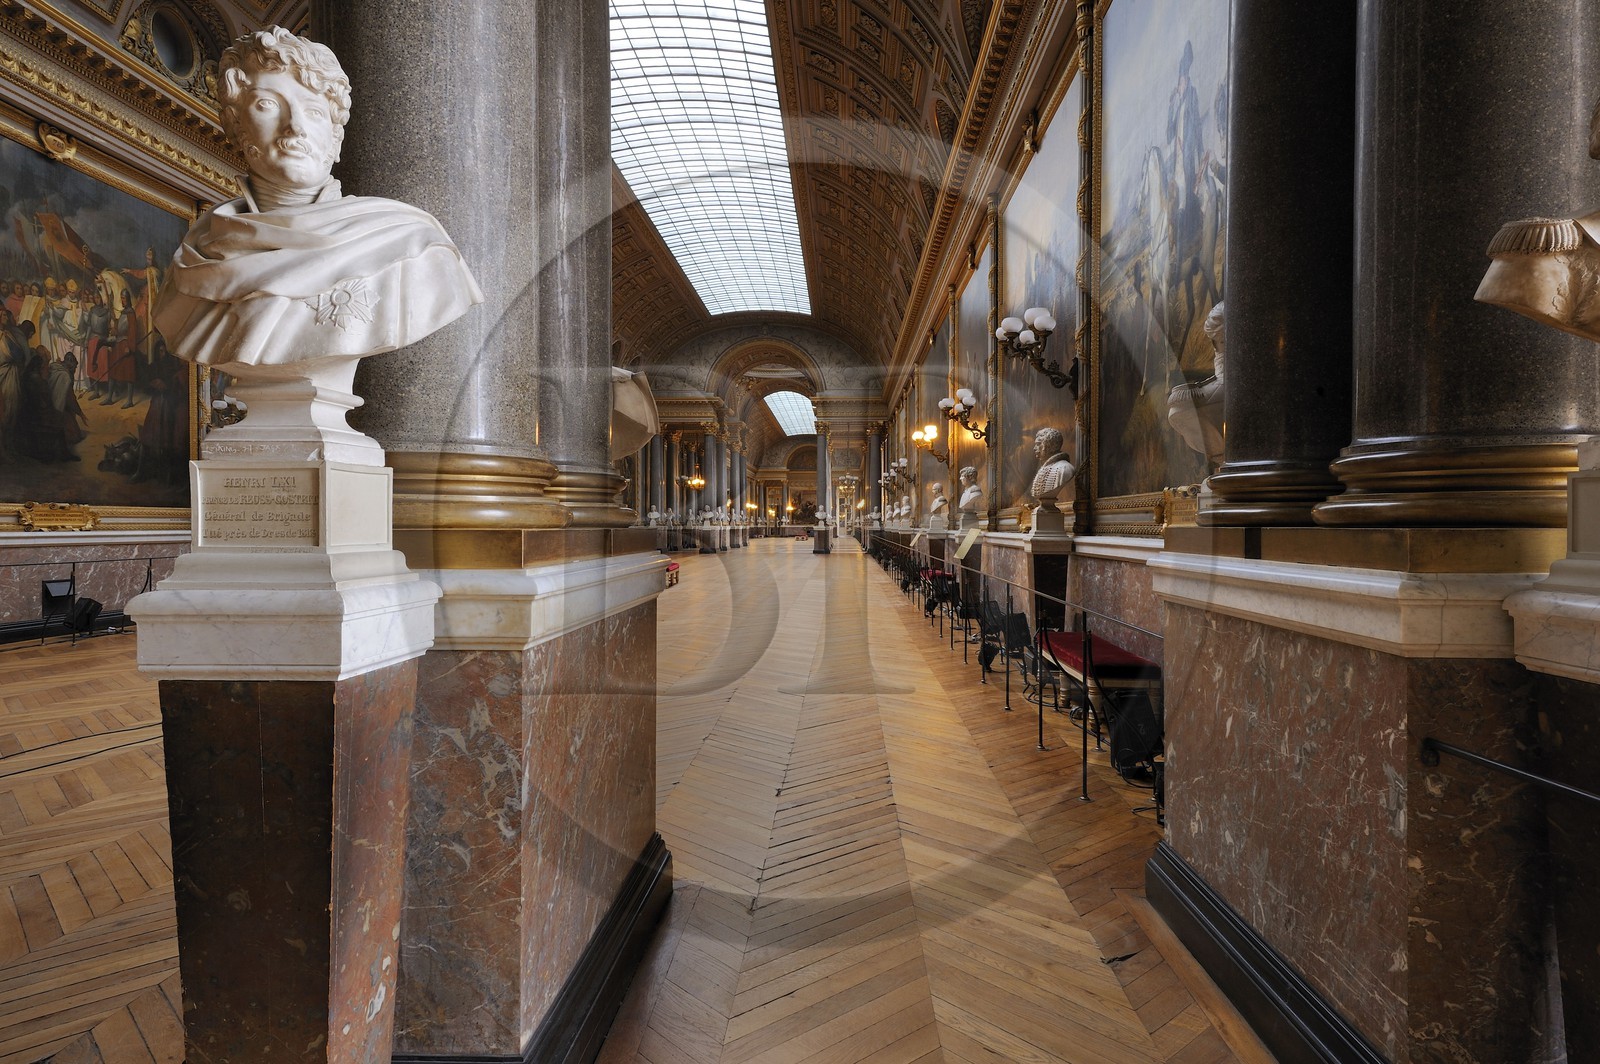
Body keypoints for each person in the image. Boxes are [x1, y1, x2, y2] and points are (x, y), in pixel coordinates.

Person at [154, 27, 482, 368]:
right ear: (236, 126)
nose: (294, 126)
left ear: (335, 136)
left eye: (313, 112)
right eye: (268, 105)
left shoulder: (411, 240)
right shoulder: (199, 257)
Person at [1028, 427, 1076, 506]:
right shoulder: (1044, 468)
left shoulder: (1065, 469)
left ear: (1048, 445)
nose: (1034, 448)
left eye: (1038, 444)